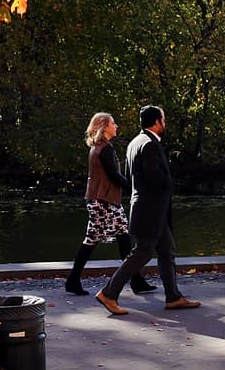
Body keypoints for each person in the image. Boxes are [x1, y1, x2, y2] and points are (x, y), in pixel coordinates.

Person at [95, 105, 200, 316]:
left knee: (167, 251)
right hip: (151, 209)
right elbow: (154, 177)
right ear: (157, 122)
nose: (165, 123)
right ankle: (108, 293)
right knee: (142, 253)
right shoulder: (150, 145)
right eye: (164, 119)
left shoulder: (135, 142)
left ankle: (173, 297)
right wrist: (169, 186)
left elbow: (130, 178)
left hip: (147, 208)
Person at [65, 112, 157, 296]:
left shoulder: (99, 147)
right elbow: (114, 175)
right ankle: (73, 280)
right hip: (104, 202)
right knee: (95, 240)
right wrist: (135, 187)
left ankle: (135, 280)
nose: (116, 126)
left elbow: (111, 175)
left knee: (120, 237)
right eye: (113, 123)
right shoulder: (105, 148)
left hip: (104, 201)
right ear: (104, 126)